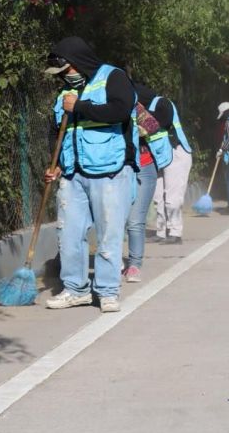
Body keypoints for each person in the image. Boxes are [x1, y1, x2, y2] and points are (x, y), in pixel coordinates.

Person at [43, 37, 138, 313]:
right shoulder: (64, 94)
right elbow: (55, 131)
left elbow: (122, 110)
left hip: (110, 169)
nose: (61, 78)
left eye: (64, 71)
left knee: (109, 231)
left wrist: (81, 107)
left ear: (76, 63)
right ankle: (75, 289)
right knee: (69, 232)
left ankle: (108, 291)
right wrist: (57, 162)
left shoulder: (113, 77)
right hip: (73, 173)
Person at [138, 86, 193, 246]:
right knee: (157, 196)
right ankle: (161, 231)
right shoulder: (141, 111)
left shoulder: (162, 103)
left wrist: (140, 117)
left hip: (176, 153)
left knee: (172, 197)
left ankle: (175, 232)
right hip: (159, 157)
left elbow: (162, 121)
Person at [123, 83, 160, 283]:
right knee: (115, 219)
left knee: (135, 220)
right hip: (116, 170)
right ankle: (114, 263)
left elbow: (153, 125)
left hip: (144, 167)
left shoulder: (132, 105)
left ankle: (135, 264)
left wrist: (135, 129)